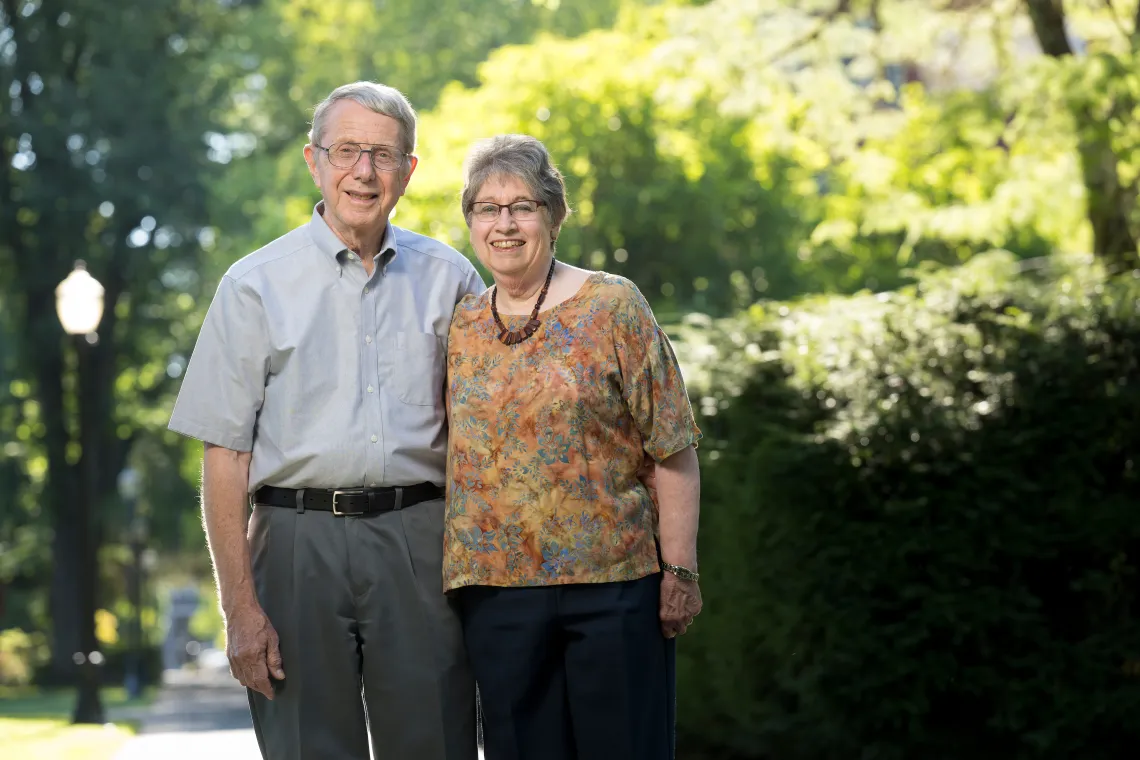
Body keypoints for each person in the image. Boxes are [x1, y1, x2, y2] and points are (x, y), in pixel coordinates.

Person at [168, 81, 483, 760]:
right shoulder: (253, 285)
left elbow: (488, 436)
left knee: (436, 739)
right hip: (293, 545)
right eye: (346, 151)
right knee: (309, 747)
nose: (363, 172)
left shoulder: (452, 279)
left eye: (382, 154)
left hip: (422, 543)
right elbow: (224, 457)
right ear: (314, 161)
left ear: (408, 170)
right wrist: (240, 609)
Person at [444, 133, 704, 760]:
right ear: (471, 221)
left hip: (614, 590)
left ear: (554, 217)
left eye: (522, 205)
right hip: (496, 597)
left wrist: (681, 571)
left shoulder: (613, 305)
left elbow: (673, 448)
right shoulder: (459, 325)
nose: (504, 223)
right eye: (487, 207)